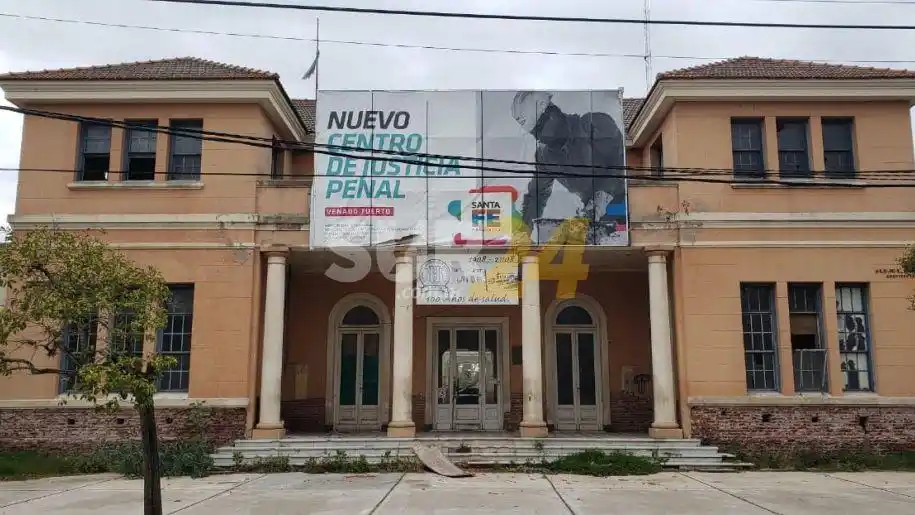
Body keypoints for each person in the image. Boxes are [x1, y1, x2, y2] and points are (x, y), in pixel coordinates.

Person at [510, 91, 626, 243]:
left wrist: (602, 195)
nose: (540, 136)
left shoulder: (593, 124)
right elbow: (536, 196)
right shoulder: (546, 156)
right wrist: (524, 231)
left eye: (540, 126)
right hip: (593, 219)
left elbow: (617, 160)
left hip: (623, 208)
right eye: (534, 133)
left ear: (552, 112)